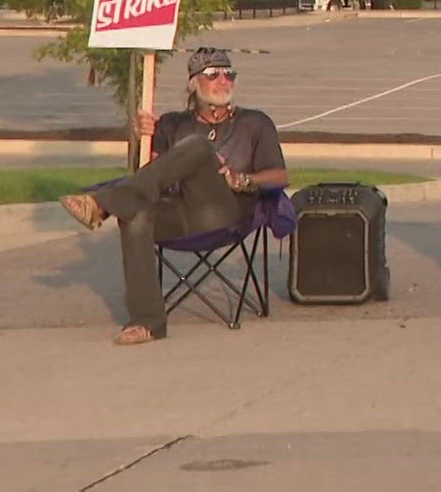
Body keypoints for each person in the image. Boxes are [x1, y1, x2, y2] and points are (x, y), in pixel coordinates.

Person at [58, 48, 288, 345]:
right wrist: (142, 139)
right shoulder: (171, 124)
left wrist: (240, 178)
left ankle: (102, 204)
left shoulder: (256, 123)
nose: (224, 81)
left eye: (229, 74)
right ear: (193, 83)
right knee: (136, 213)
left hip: (225, 213)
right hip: (179, 214)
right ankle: (148, 322)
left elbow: (280, 176)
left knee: (198, 147)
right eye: (212, 74)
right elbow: (150, 175)